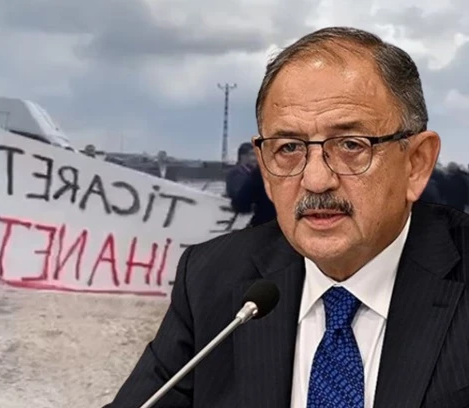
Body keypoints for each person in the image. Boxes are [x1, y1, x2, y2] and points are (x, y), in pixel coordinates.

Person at [106, 27, 468, 408]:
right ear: (264, 166)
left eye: (350, 145)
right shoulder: (212, 278)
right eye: (290, 148)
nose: (316, 180)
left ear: (416, 164)